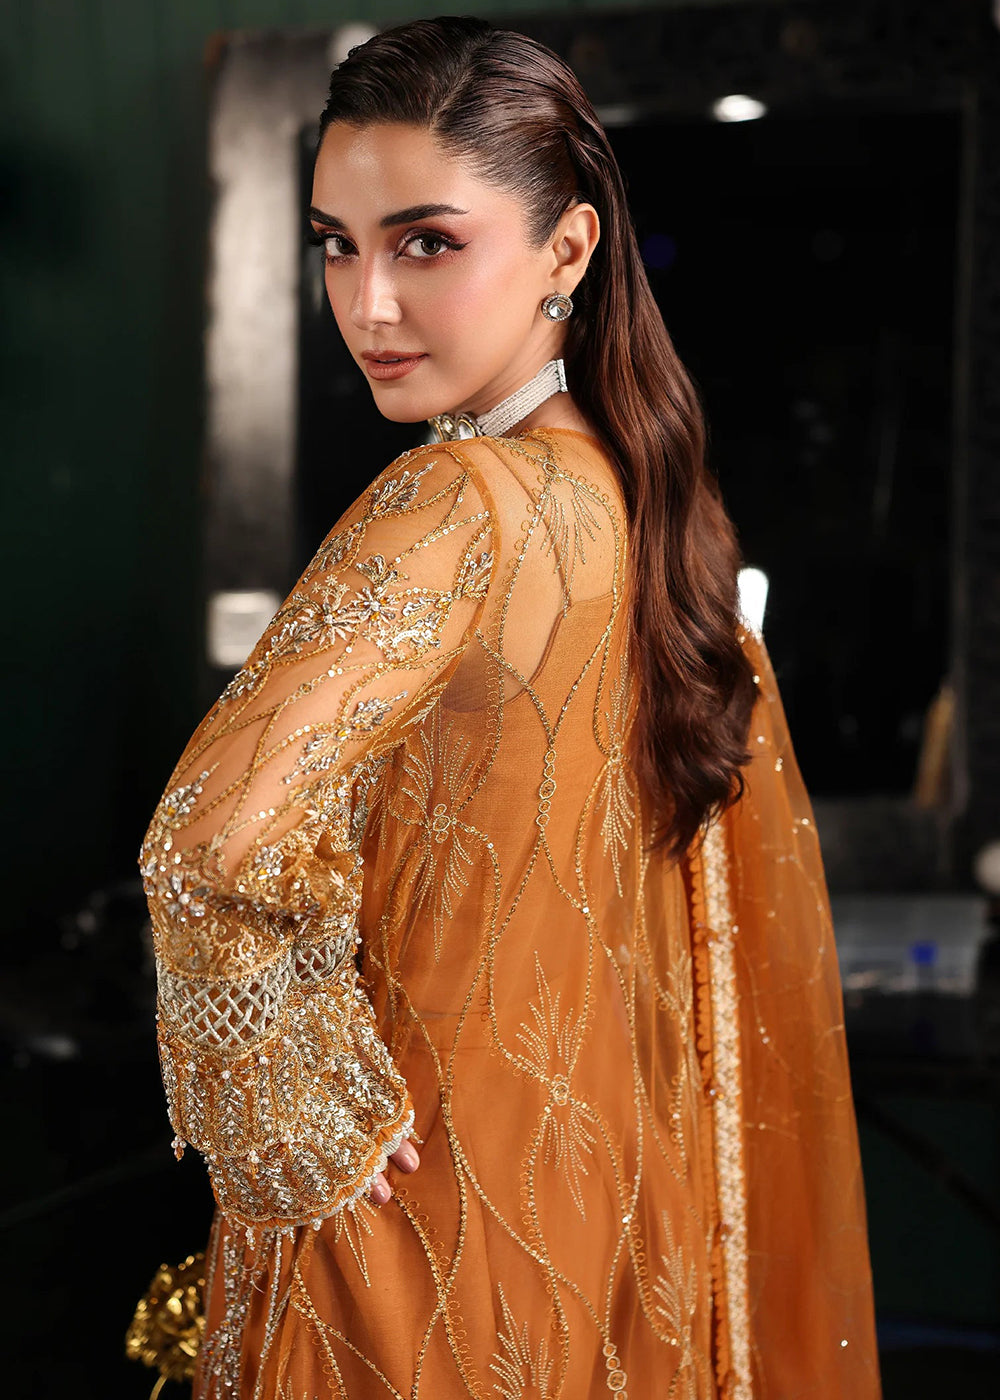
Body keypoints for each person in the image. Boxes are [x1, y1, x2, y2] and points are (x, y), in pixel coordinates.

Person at [139, 15, 882, 1399]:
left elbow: (205, 846)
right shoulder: (652, 517)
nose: (368, 303)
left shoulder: (455, 503)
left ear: (568, 249)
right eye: (336, 244)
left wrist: (309, 1124)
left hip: (413, 1236)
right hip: (606, 1220)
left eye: (426, 242)